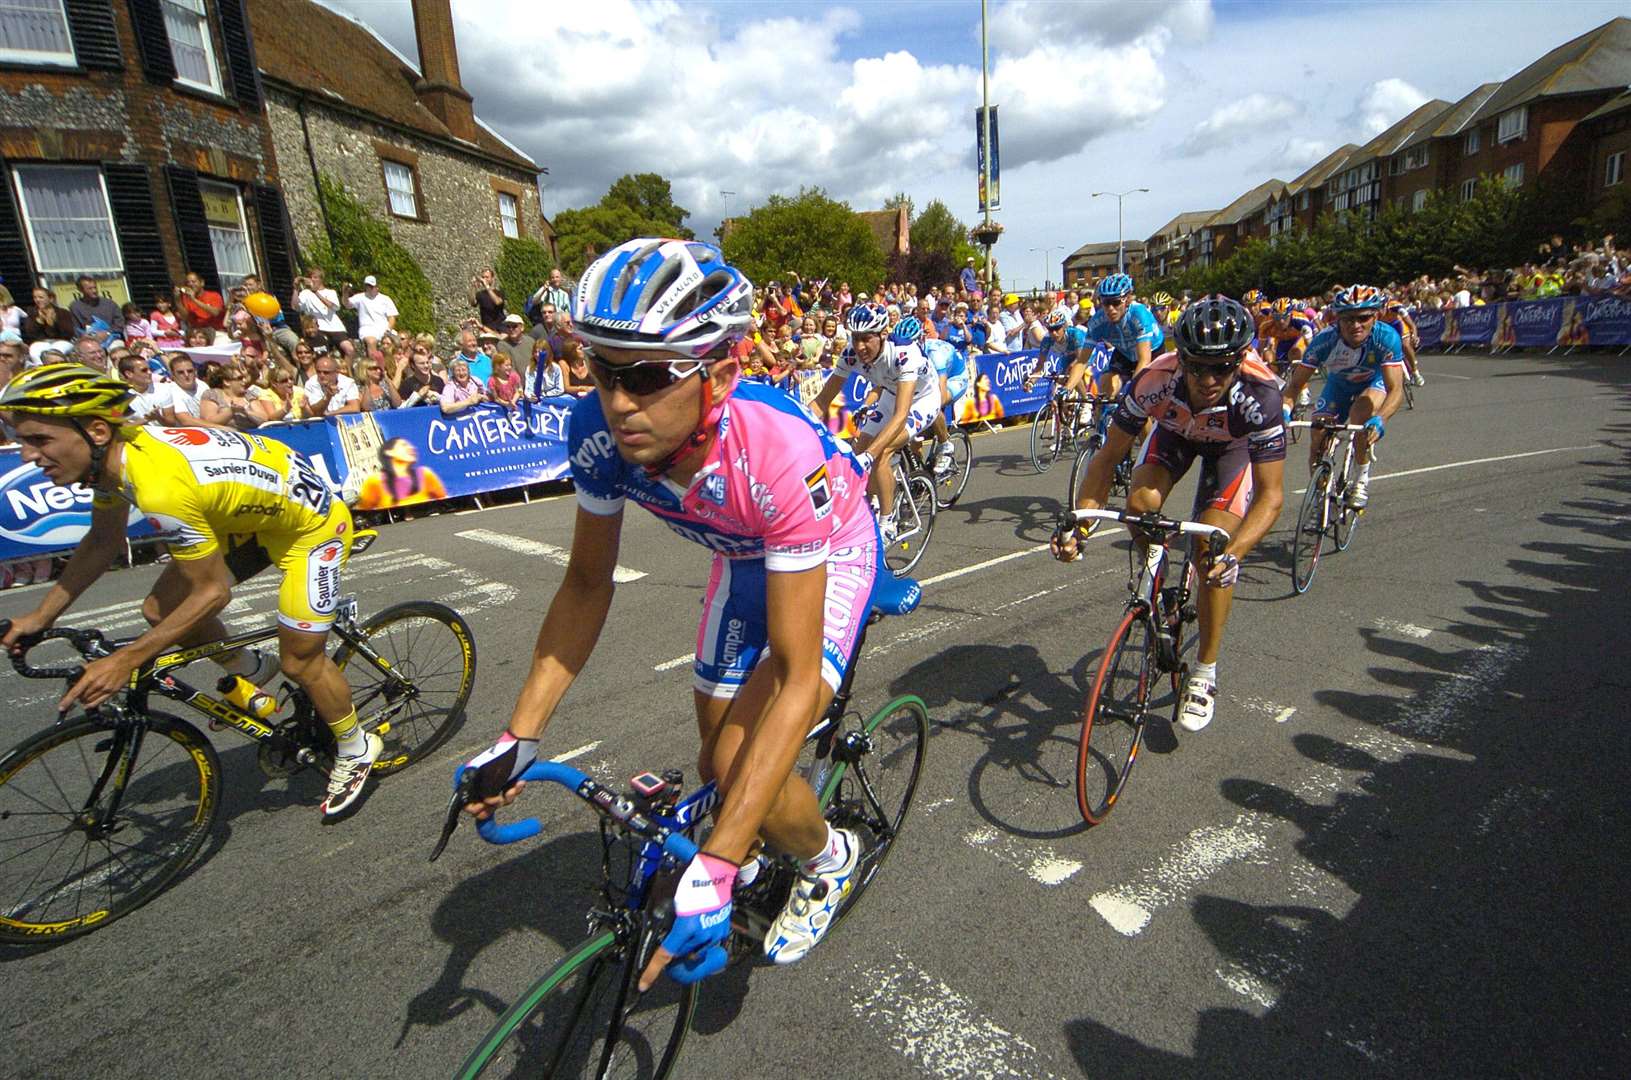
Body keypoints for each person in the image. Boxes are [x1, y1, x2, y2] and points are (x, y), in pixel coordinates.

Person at [460, 238, 881, 987]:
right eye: (600, 367)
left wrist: (716, 864)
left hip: (828, 546)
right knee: (714, 765)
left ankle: (828, 856)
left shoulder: (774, 450)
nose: (619, 402)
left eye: (648, 376)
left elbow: (790, 680)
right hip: (742, 554)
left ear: (719, 374)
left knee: (736, 763)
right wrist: (518, 735)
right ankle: (750, 832)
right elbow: (586, 584)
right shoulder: (595, 430)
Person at [0, 364, 380, 814]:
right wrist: (41, 617)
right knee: (161, 611)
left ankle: (356, 748)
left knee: (301, 661)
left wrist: (128, 658)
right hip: (248, 516)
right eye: (21, 440)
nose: (26, 456)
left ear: (98, 430)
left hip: (309, 527)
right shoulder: (117, 465)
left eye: (39, 440)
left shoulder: (160, 486)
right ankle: (253, 667)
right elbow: (102, 542)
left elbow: (212, 594)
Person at [1054, 296, 1285, 732]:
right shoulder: (1154, 379)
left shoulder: (1262, 393)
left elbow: (1271, 497)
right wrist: (1080, 525)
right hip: (1176, 434)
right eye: (1197, 366)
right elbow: (1106, 460)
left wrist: (1234, 553)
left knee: (1211, 548)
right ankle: (1153, 571)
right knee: (1140, 506)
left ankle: (1204, 672)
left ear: (1241, 359)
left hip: (1233, 451)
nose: (1209, 378)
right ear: (1181, 359)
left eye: (1222, 367)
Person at [811, 306, 939, 539]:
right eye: (855, 338)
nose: (860, 347)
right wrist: (794, 428)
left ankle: (887, 522)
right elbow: (821, 401)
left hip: (922, 399)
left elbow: (901, 415)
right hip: (890, 394)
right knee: (858, 449)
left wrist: (870, 456)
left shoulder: (903, 353)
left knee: (880, 453)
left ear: (882, 334)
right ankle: (866, 507)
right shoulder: (851, 353)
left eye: (866, 339)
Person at [1282, 284, 1406, 511]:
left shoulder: (1386, 338)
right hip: (1338, 386)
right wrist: (1284, 411)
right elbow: (1295, 385)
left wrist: (1381, 419)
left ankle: (1360, 480)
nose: (1356, 325)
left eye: (1364, 318)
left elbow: (1395, 388)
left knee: (1360, 419)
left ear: (1376, 315)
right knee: (1317, 436)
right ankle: (1319, 496)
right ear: (1337, 318)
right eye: (1348, 319)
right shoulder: (1324, 340)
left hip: (1373, 383)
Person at [1083, 273, 1164, 394]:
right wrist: (1067, 389)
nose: (1110, 308)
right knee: (1106, 384)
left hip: (1152, 351)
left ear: (1128, 300)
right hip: (1124, 352)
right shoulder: (1097, 320)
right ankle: (1102, 413)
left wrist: (1131, 392)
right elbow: (1082, 361)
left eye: (1115, 302)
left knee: (1147, 390)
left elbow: (1144, 359)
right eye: (1105, 303)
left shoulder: (1139, 314)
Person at [355, 437, 446, 510]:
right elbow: (363, 507)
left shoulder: (425, 474)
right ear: (389, 452)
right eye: (404, 445)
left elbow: (442, 496)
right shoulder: (374, 482)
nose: (411, 447)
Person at [199, 362, 263, 430]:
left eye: (244, 378)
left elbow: (263, 419)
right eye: (240, 378)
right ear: (227, 382)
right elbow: (208, 421)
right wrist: (231, 411)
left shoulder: (248, 395)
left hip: (252, 435)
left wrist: (245, 411)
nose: (244, 381)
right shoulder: (212, 394)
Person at [295, 268, 347, 351]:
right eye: (311, 277)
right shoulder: (305, 293)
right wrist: (295, 289)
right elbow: (295, 307)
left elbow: (334, 307)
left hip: (335, 327)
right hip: (319, 328)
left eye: (315, 277)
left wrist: (316, 292)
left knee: (349, 349)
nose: (312, 279)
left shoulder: (331, 292)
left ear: (321, 279)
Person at [1380, 298, 1424, 386]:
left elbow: (1412, 324)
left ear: (1385, 306)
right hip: (1386, 328)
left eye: (1381, 308)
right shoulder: (1373, 313)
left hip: (1399, 325)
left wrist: (1414, 335)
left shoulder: (1395, 307)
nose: (1380, 312)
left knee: (1405, 345)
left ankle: (1415, 372)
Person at [347, 276, 398, 341]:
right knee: (371, 341)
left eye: (372, 286)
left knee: (400, 340)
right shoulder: (359, 298)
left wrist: (388, 330)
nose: (370, 289)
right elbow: (347, 304)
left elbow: (392, 317)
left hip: (384, 329)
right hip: (367, 330)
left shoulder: (385, 299)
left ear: (377, 287)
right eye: (368, 286)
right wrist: (345, 293)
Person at [174, 271, 225, 336]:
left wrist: (194, 299)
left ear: (202, 283)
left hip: (215, 331)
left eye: (193, 281)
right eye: (188, 282)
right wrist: (178, 300)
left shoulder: (214, 295)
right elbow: (185, 317)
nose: (190, 284)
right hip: (197, 333)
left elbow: (215, 312)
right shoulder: (186, 298)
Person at [469, 268, 507, 332]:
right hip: (487, 327)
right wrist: (473, 287)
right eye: (483, 277)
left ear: (492, 278)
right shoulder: (480, 294)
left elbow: (498, 302)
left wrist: (487, 287)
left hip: (501, 326)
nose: (484, 279)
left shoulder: (499, 292)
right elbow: (473, 303)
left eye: (487, 277)